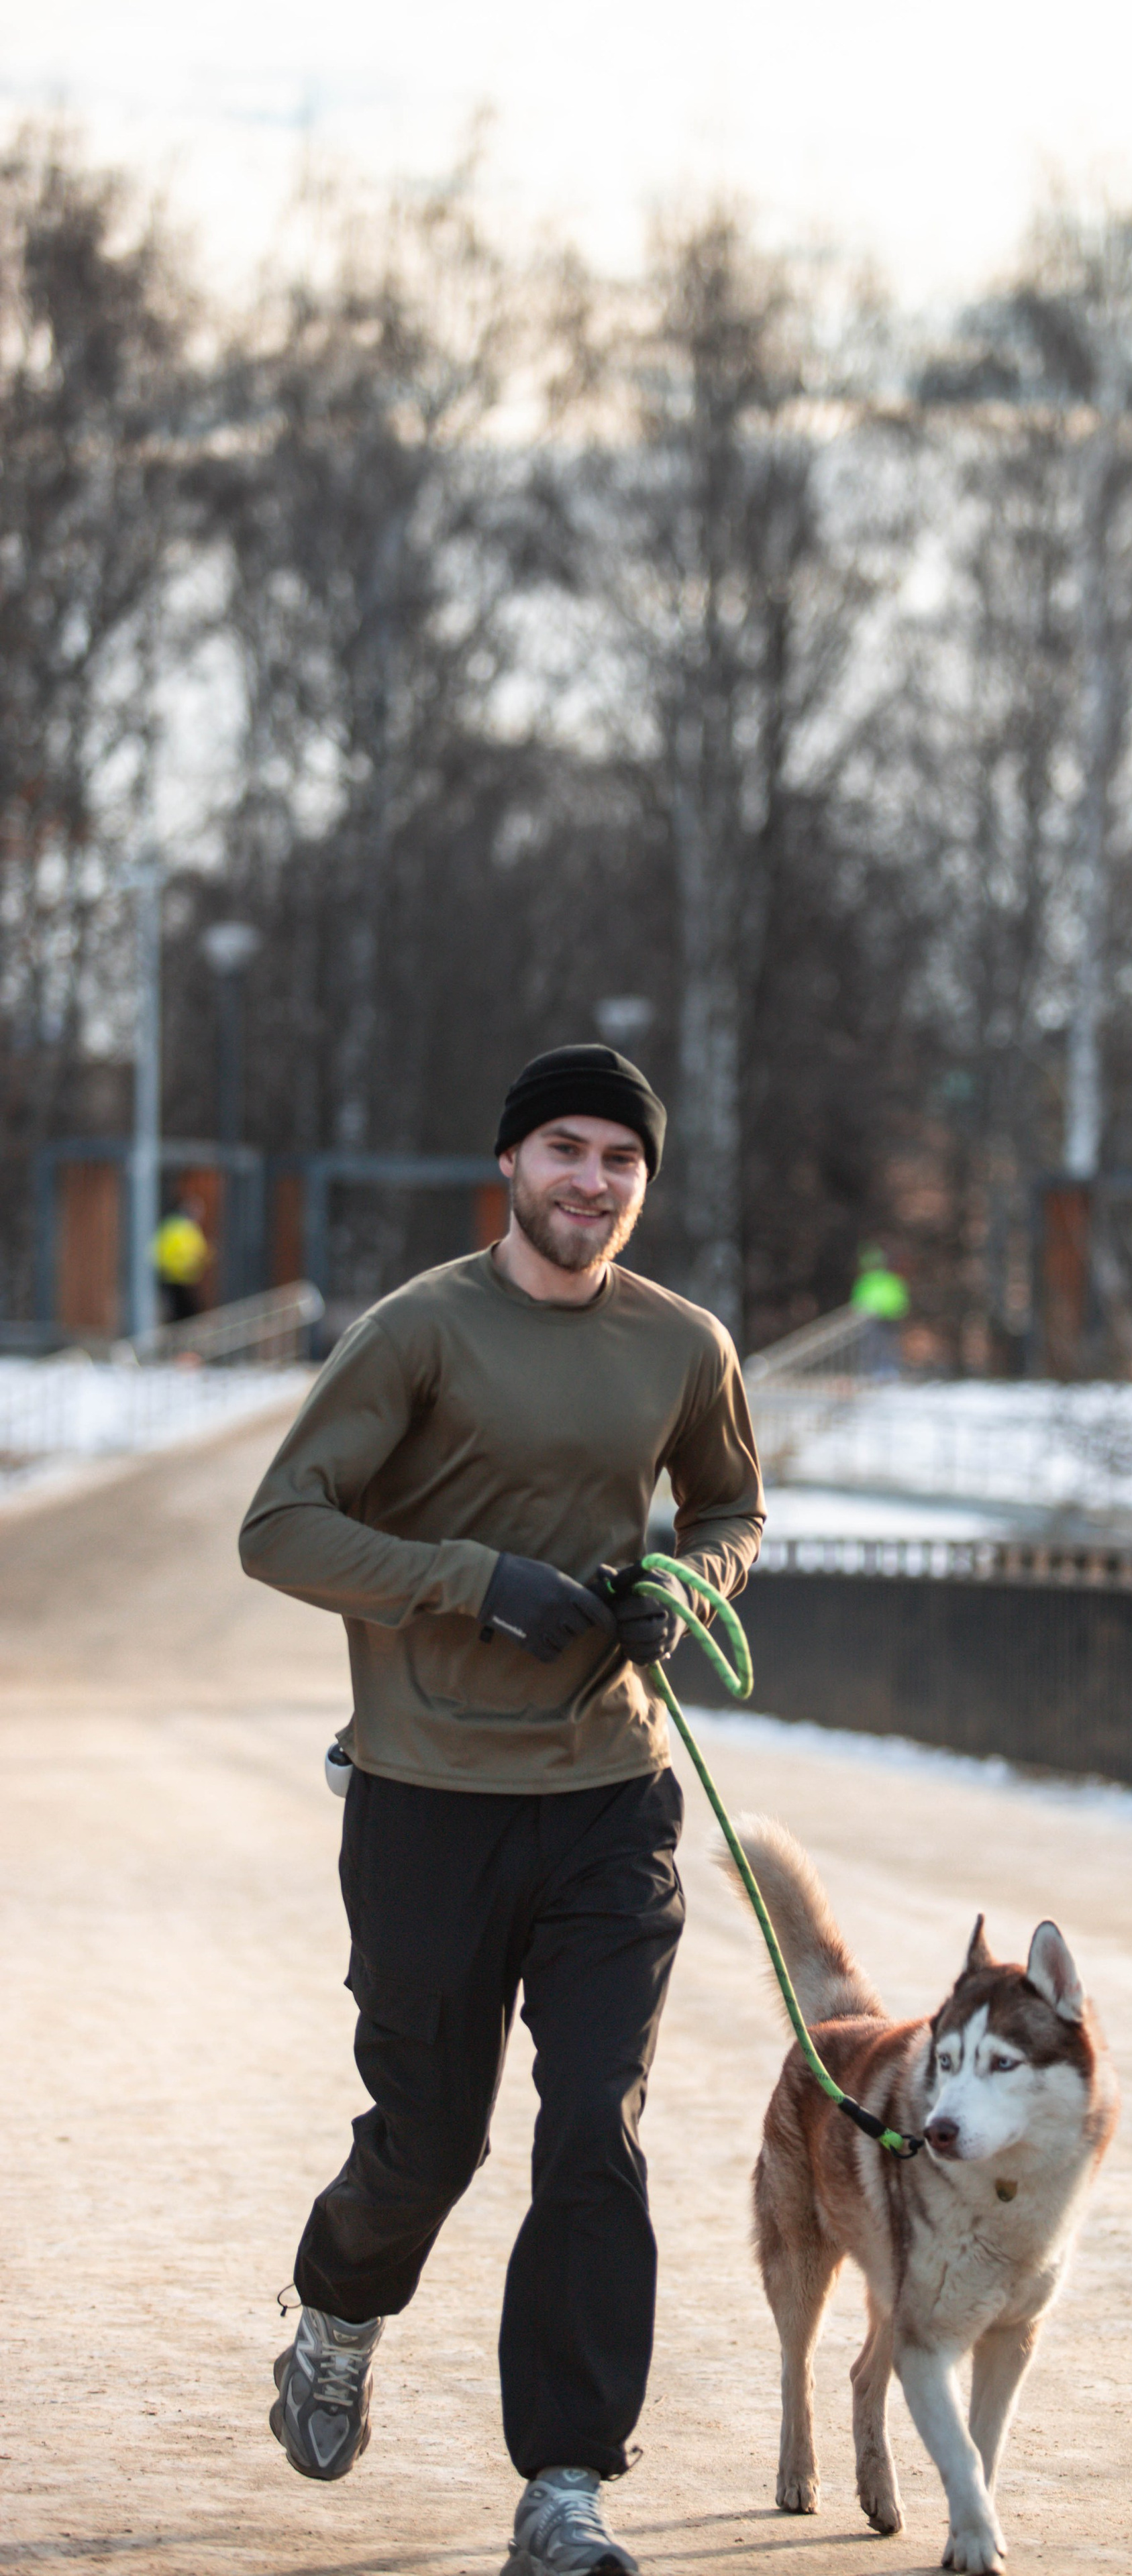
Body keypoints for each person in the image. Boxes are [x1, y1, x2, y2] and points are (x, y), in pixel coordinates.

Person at [238, 1043, 764, 2576]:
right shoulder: (419, 1332)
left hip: (613, 1795)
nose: (589, 1180)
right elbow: (281, 1527)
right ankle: (338, 2312)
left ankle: (566, 2485)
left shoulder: (682, 1345)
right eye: (562, 1149)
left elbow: (729, 1509)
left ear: (641, 1181)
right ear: (509, 1164)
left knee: (592, 2130)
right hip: (426, 1801)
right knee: (428, 2138)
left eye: (618, 1157)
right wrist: (473, 1583)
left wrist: (683, 1578)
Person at [153, 1187, 212, 1324]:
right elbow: (162, 1252)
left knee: (187, 1313)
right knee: (181, 1314)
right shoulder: (177, 1228)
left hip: (187, 1278)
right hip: (175, 1278)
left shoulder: (188, 1228)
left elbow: (197, 1250)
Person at [850, 1242, 909, 1377]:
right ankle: (871, 1371)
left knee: (889, 1346)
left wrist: (893, 1311)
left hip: (889, 1319)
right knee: (871, 1346)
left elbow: (900, 1299)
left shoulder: (890, 1280)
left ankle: (889, 1371)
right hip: (871, 1320)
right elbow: (859, 1300)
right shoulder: (866, 1281)